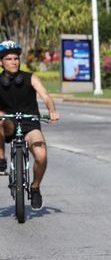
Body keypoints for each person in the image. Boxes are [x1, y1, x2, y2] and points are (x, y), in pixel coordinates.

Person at [0, 40, 59, 209]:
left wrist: (52, 110)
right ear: (1, 62)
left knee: (41, 155)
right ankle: (1, 158)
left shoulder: (30, 77)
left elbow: (45, 95)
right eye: (9, 59)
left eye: (16, 58)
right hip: (7, 123)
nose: (13, 62)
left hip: (30, 123)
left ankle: (35, 187)